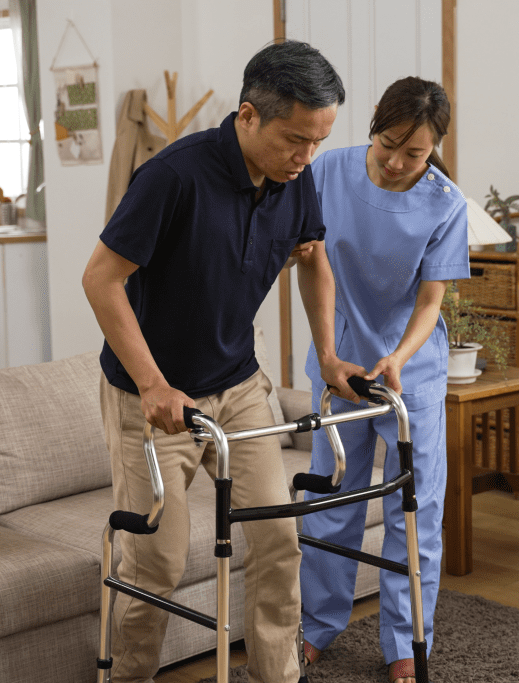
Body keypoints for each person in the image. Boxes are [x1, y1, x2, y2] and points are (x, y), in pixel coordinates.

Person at [82, 40, 364, 683]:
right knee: (157, 561)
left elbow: (312, 254)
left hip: (238, 388)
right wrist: (153, 383)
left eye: (318, 141)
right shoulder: (172, 177)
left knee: (276, 541)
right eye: (296, 138)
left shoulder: (296, 174)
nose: (307, 156)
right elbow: (101, 279)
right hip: (151, 401)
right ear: (247, 116)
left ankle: (278, 676)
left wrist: (328, 355)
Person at [297, 77, 469, 683]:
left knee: (413, 509)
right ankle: (315, 625)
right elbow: (308, 261)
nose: (397, 162)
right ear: (372, 125)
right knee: (329, 496)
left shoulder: (446, 202)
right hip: (341, 363)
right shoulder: (326, 173)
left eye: (415, 153)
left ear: (435, 147)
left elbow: (431, 300)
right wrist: (328, 352)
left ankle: (406, 640)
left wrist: (398, 356)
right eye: (388, 144)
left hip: (411, 368)